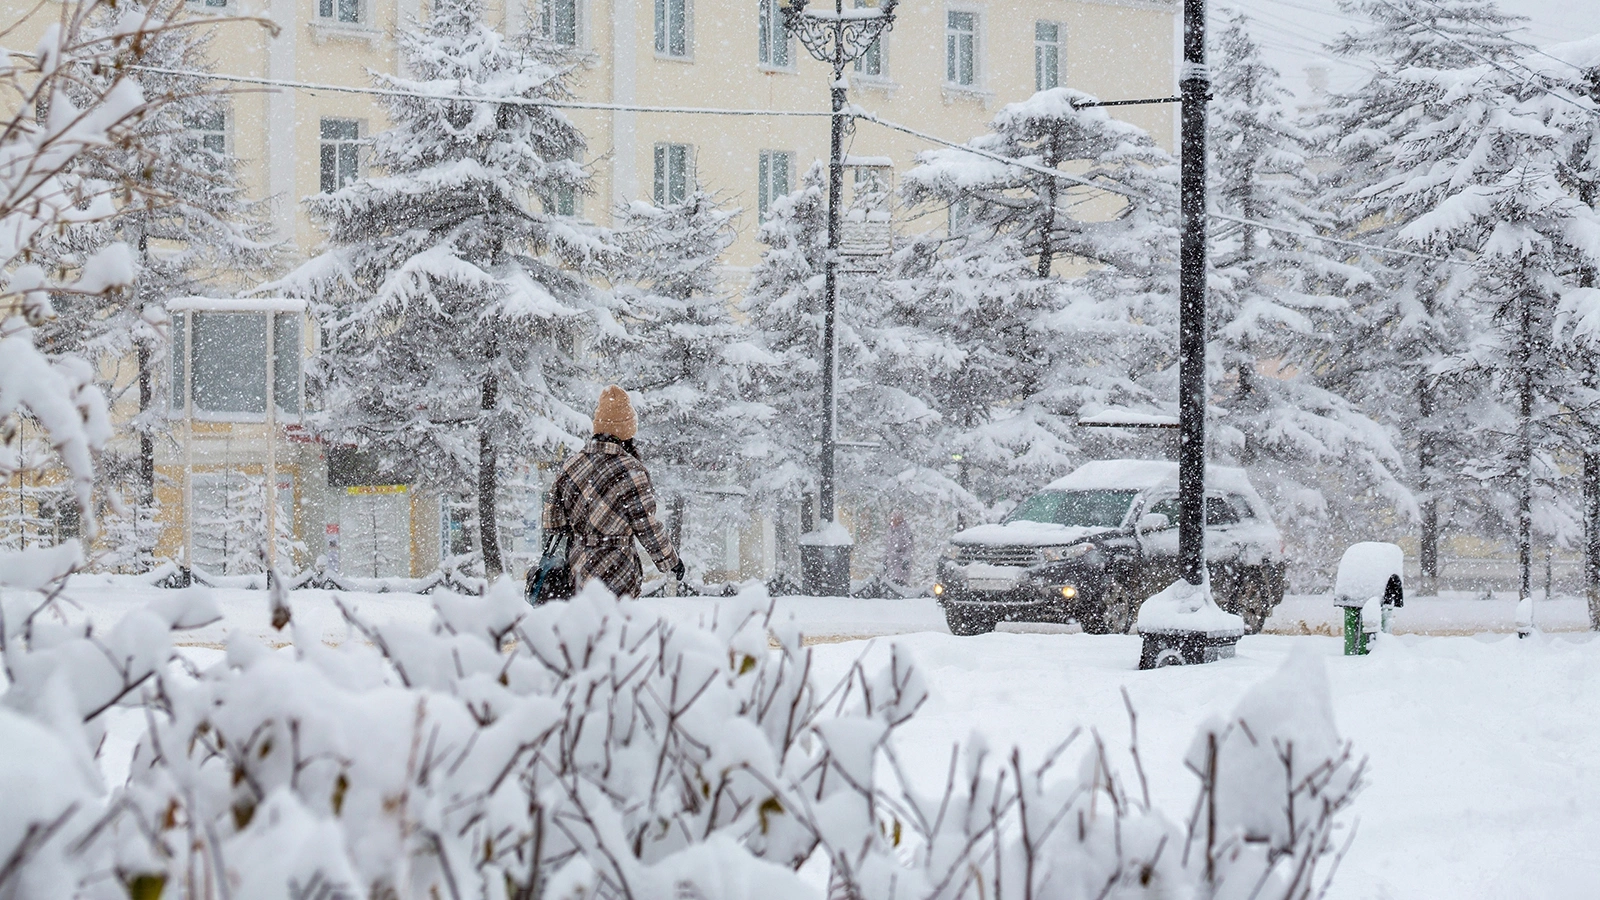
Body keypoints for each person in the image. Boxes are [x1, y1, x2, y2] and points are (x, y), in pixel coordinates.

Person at [542, 385, 684, 598]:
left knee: (584, 630)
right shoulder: (631, 470)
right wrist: (670, 561)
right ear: (627, 431)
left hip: (578, 572)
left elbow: (552, 521)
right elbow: (646, 525)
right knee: (615, 629)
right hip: (617, 574)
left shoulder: (572, 465)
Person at [884, 510, 914, 586]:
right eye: (892, 519)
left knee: (898, 583)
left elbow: (909, 547)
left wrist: (906, 560)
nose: (893, 521)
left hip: (900, 565)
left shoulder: (905, 531)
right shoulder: (890, 531)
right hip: (890, 565)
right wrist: (884, 560)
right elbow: (887, 548)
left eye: (895, 519)